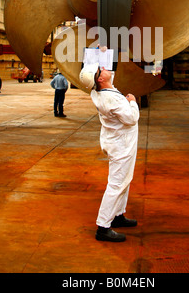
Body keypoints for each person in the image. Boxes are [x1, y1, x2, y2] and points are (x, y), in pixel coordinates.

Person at [79, 63, 140, 243]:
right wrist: (133, 102)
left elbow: (105, 84)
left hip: (120, 142)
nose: (105, 67)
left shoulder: (100, 91)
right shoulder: (110, 99)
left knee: (125, 181)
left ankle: (118, 215)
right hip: (121, 146)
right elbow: (131, 119)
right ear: (100, 78)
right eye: (101, 68)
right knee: (116, 184)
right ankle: (103, 226)